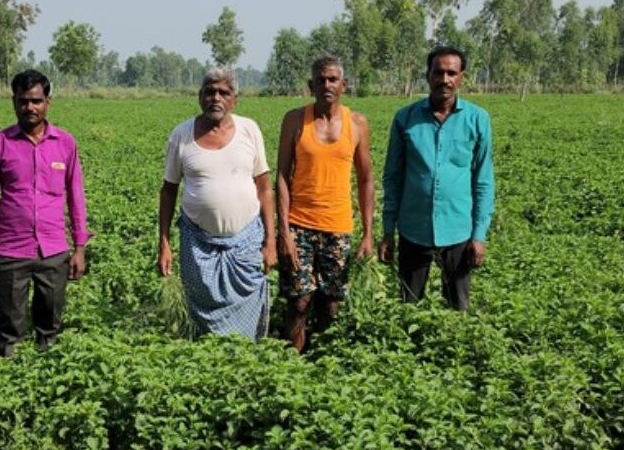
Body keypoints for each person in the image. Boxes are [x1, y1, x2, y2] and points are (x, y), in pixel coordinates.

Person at [0, 69, 90, 356]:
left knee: (50, 326)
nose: (30, 108)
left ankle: (46, 374)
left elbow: (76, 197)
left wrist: (80, 247)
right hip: (12, 250)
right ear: (14, 102)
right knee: (10, 328)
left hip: (54, 250)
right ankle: (7, 379)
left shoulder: (65, 143)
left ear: (48, 101)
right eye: (24, 101)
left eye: (36, 101)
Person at [157, 67, 276, 339]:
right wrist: (163, 244)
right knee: (199, 310)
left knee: (248, 307)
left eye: (224, 92)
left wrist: (271, 241)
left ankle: (245, 359)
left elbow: (265, 189)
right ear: (199, 97)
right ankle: (204, 362)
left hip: (246, 242)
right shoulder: (182, 135)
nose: (216, 98)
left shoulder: (249, 130)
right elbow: (168, 191)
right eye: (209, 91)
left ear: (234, 99)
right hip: (198, 245)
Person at [378, 46, 494, 310]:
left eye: (451, 73)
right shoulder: (405, 119)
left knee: (458, 306)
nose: (445, 79)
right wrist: (388, 231)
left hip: (458, 231)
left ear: (461, 77)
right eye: (438, 72)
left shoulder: (478, 120)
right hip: (413, 229)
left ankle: (455, 348)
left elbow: (483, 180)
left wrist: (479, 235)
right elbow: (393, 178)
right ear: (427, 75)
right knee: (409, 305)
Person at [275, 55, 374, 351]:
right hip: (299, 224)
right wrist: (283, 231)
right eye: (320, 80)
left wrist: (368, 233)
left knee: (330, 304)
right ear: (311, 85)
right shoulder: (295, 120)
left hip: (338, 227)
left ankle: (325, 363)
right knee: (299, 300)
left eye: (333, 79)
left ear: (343, 85)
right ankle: (294, 365)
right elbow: (281, 175)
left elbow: (366, 179)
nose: (326, 85)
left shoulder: (356, 124)